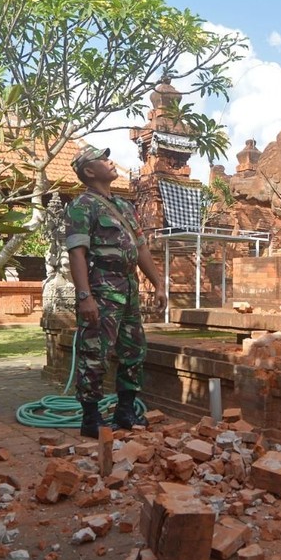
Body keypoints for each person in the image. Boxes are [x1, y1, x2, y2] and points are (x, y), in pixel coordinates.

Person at [65, 145, 167, 437]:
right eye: (103, 159)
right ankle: (91, 418)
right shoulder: (82, 206)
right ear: (88, 171)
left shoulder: (124, 207)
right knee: (95, 352)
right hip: (101, 288)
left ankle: (125, 411)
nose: (111, 162)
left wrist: (158, 283)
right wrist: (85, 296)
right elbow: (77, 253)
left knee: (134, 350)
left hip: (129, 288)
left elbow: (141, 248)